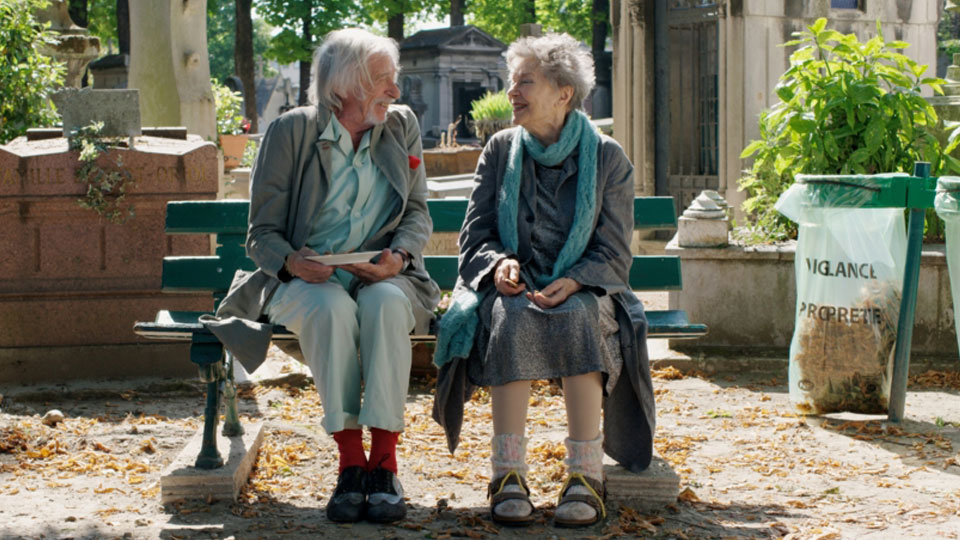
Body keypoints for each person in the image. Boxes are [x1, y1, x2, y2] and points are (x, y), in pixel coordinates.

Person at [204, 28, 440, 524]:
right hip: (305, 281)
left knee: (387, 304)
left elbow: (417, 211)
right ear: (344, 86)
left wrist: (398, 255)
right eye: (383, 81)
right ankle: (351, 465)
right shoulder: (292, 132)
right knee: (332, 306)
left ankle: (385, 466)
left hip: (385, 275)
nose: (395, 92)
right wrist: (292, 262)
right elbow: (261, 234)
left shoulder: (401, 126)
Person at [432, 33, 655, 528]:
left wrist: (576, 281)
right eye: (512, 81)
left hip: (587, 288)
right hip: (517, 285)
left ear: (563, 92)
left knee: (577, 317)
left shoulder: (608, 157)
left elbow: (614, 250)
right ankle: (507, 474)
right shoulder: (500, 149)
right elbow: (477, 232)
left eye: (525, 82)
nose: (512, 91)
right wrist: (498, 264)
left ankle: (585, 477)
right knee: (509, 317)